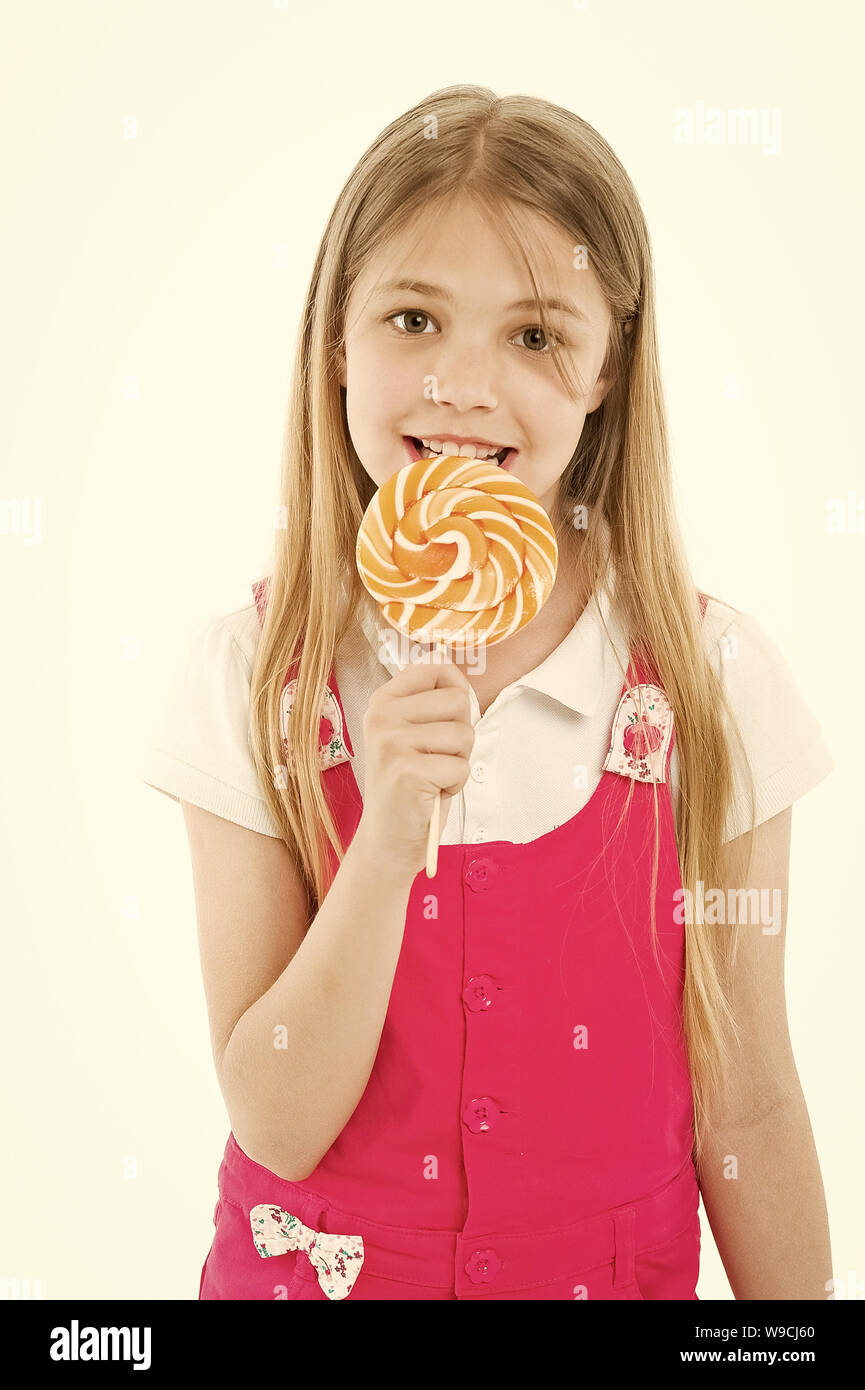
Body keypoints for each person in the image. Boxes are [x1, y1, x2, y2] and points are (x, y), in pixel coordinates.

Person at [139, 85, 835, 1300]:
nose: (461, 384)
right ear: (335, 341)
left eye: (533, 335)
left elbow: (753, 1100)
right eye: (412, 317)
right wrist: (391, 821)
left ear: (608, 365)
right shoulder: (251, 678)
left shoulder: (712, 686)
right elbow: (278, 1118)